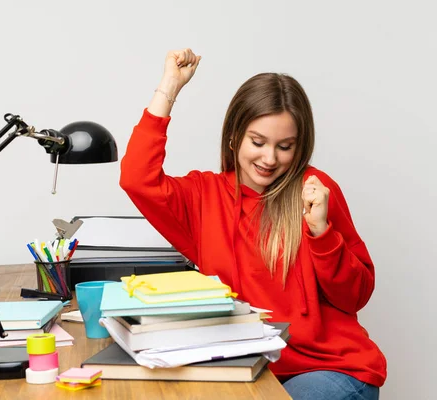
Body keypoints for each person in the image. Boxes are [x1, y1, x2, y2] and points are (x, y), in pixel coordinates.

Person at [119, 48, 386, 400]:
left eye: (285, 146)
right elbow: (137, 179)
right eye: (257, 142)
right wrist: (170, 87)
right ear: (234, 137)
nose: (270, 159)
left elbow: (356, 296)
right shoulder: (204, 198)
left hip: (332, 370)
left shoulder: (315, 191)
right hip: (247, 369)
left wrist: (322, 233)